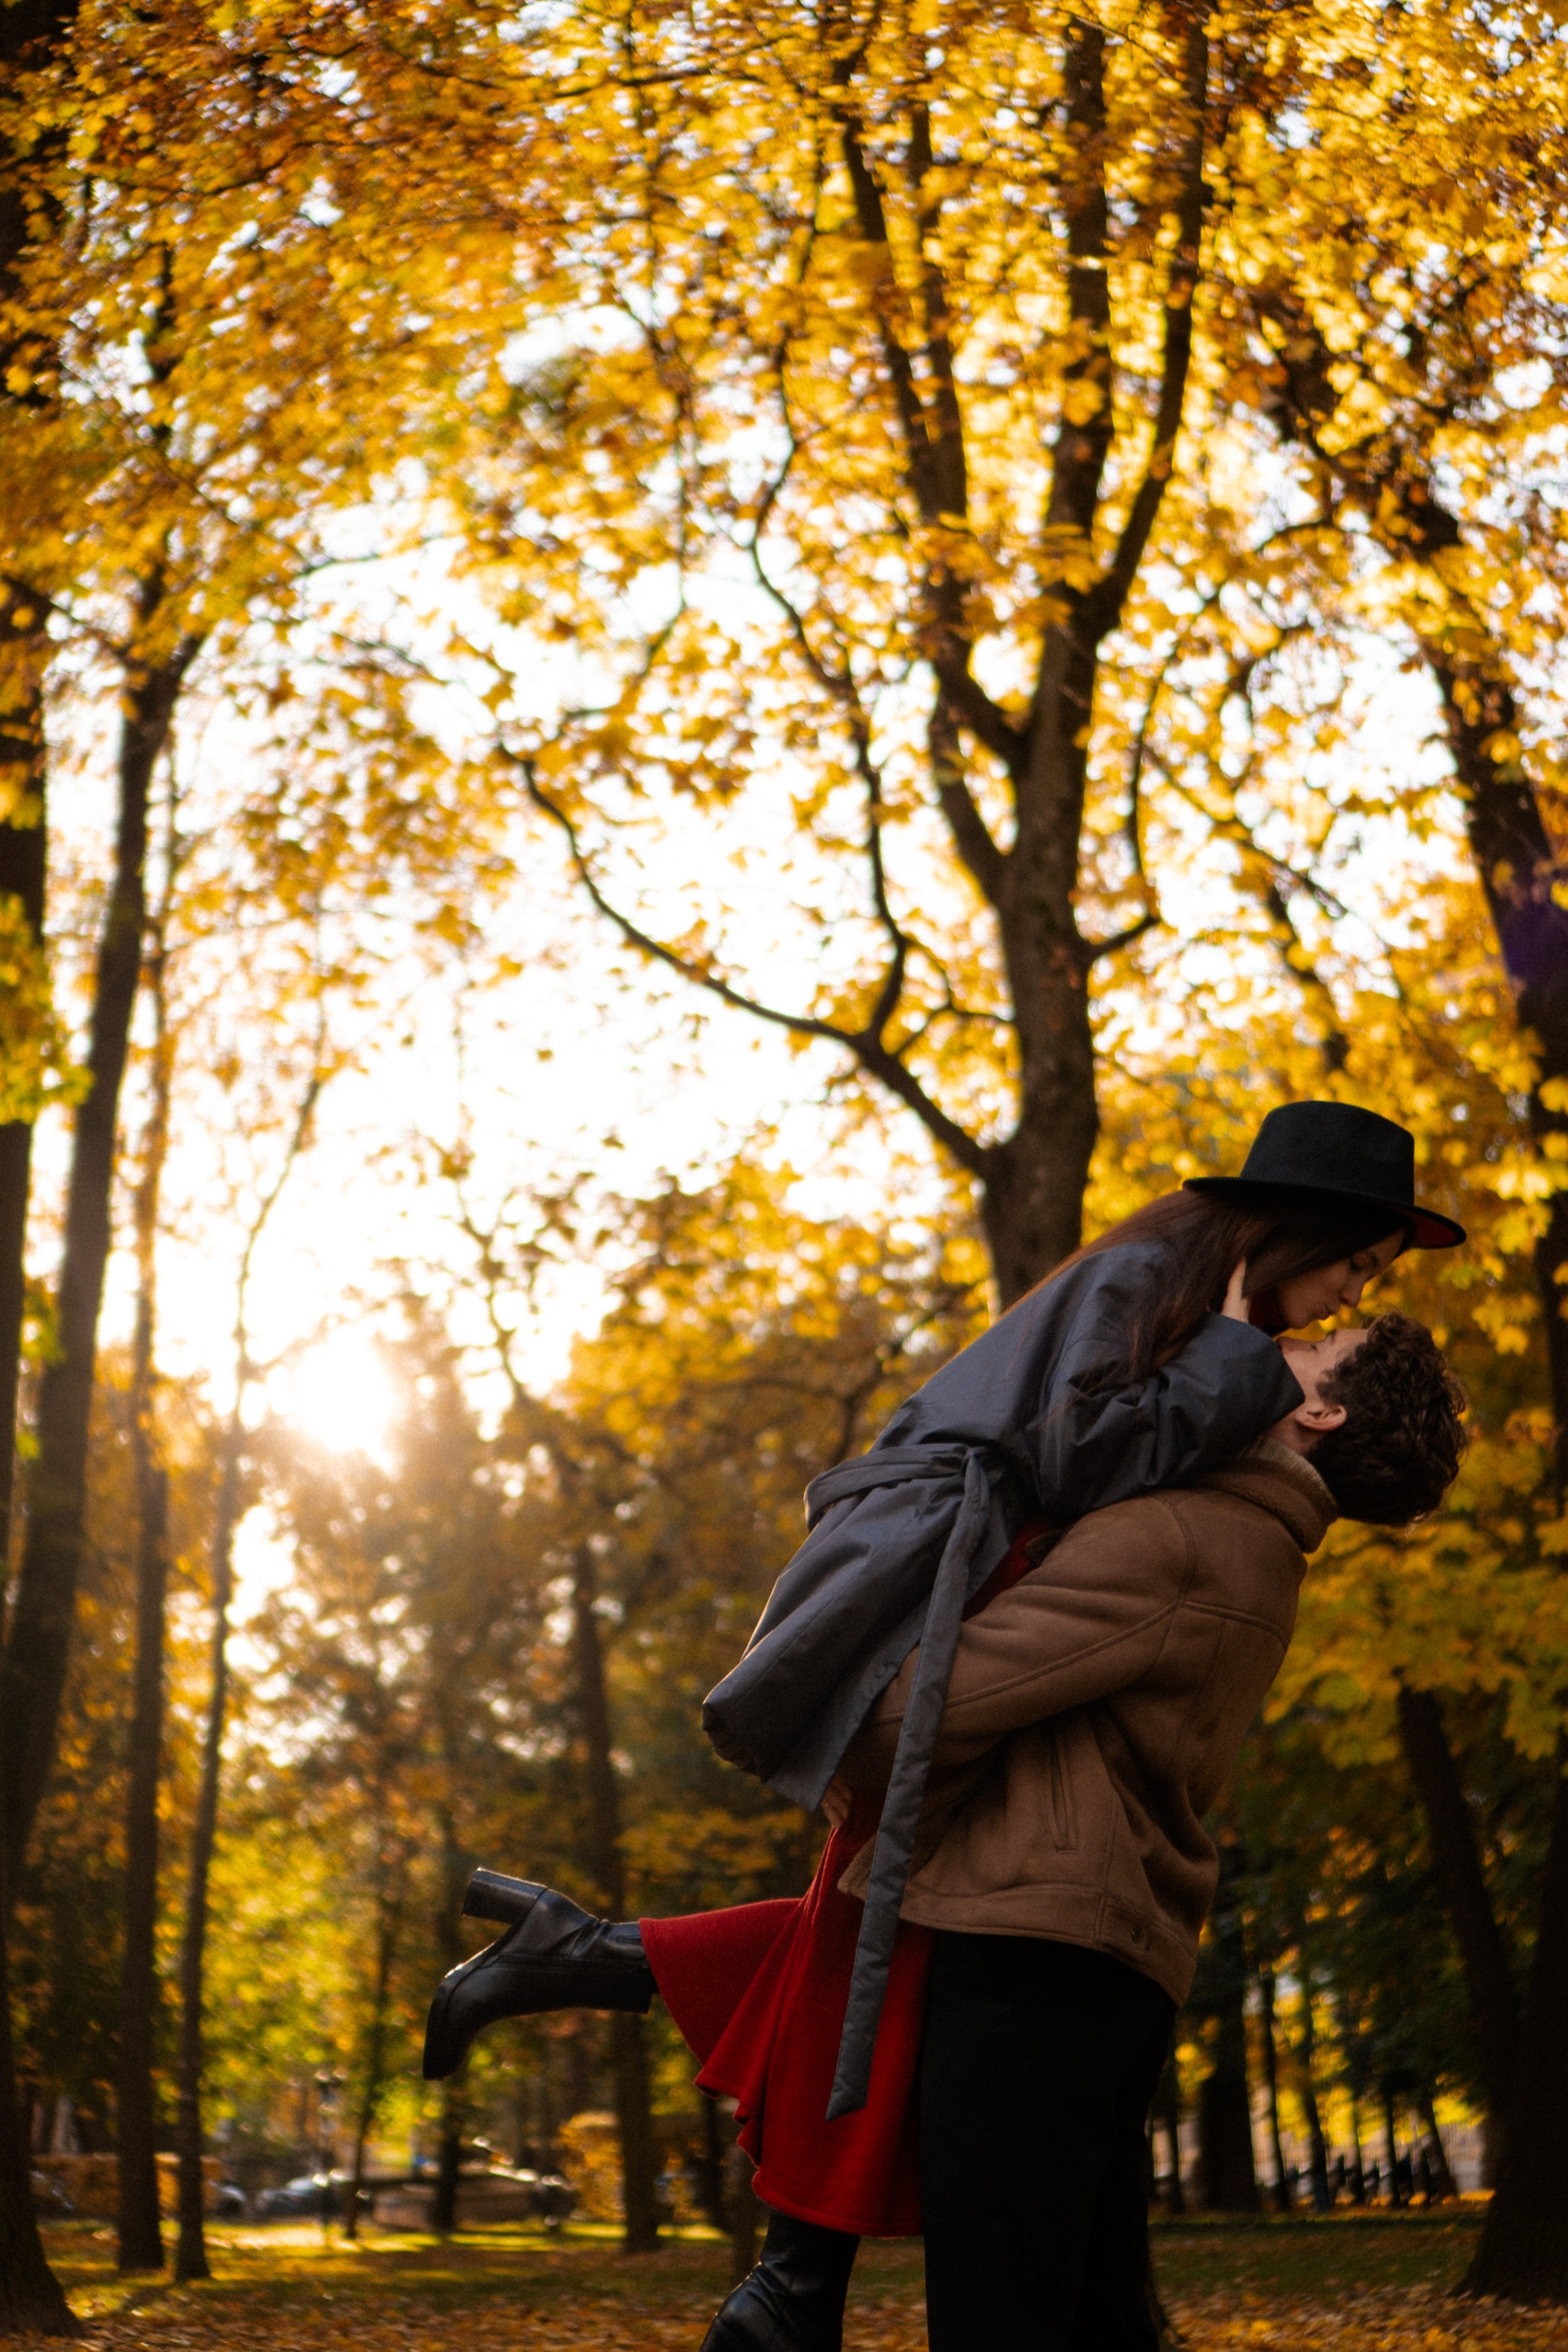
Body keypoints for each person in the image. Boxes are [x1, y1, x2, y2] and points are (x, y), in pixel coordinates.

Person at [422, 1104, 1466, 2348]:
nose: (1321, 1316)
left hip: (1041, 1924)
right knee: (890, 1940)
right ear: (1299, 1226)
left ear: (1320, 1420)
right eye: (1348, 1273)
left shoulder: (1196, 1505)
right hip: (946, 1575)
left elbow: (930, 1708)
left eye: (1336, 1324)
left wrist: (883, 1754)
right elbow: (1073, 1448)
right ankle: (773, 2250)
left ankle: (767, 2239)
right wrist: (1240, 1350)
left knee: (881, 1913)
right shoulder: (1181, 1323)